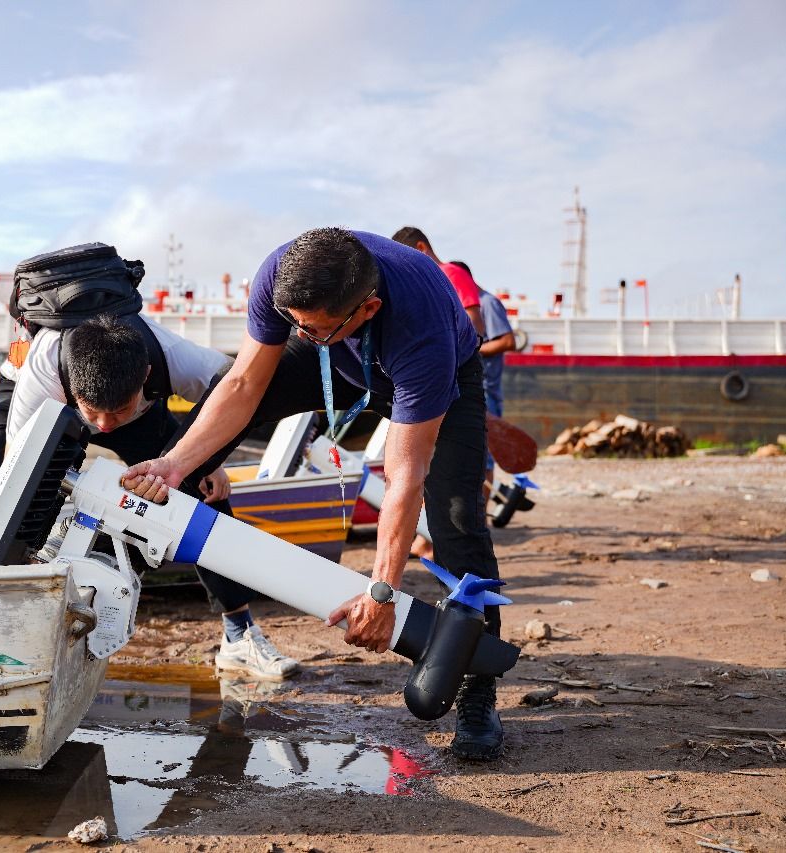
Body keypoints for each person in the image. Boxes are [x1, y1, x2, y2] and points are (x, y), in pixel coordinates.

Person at [121, 228, 506, 760]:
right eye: (294, 322)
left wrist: (382, 593)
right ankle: (233, 617)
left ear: (366, 307)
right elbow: (241, 386)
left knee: (458, 519)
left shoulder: (422, 330)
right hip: (336, 359)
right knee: (194, 436)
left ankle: (477, 693)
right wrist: (177, 463)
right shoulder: (283, 277)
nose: (299, 330)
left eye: (312, 326)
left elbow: (404, 476)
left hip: (439, 373)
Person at [0, 313, 301, 681]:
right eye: (94, 413)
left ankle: (239, 635)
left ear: (146, 375)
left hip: (139, 416)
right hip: (39, 397)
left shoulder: (177, 358)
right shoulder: (42, 377)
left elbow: (237, 391)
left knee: (201, 492)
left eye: (116, 412)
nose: (103, 425)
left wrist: (206, 456)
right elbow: (16, 478)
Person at [449, 260, 516, 493]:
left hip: (486, 391)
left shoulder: (488, 303)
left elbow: (508, 341)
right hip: (471, 388)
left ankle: (481, 522)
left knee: (483, 459)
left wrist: (470, 347)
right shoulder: (469, 306)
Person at [390, 227, 485, 337]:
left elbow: (474, 321)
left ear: (421, 248)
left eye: (407, 260)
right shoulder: (424, 281)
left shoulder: (451, 273)